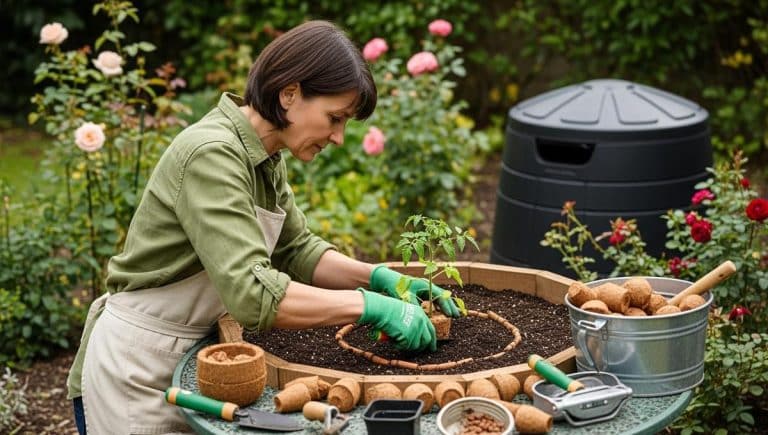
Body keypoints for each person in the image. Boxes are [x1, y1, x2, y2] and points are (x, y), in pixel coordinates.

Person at [66, 20, 462, 434]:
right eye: (335, 118)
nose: (340, 137)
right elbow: (254, 296)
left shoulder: (264, 156)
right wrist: (370, 307)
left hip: (194, 356)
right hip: (139, 368)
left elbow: (297, 249)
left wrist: (386, 280)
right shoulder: (212, 155)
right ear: (289, 93)